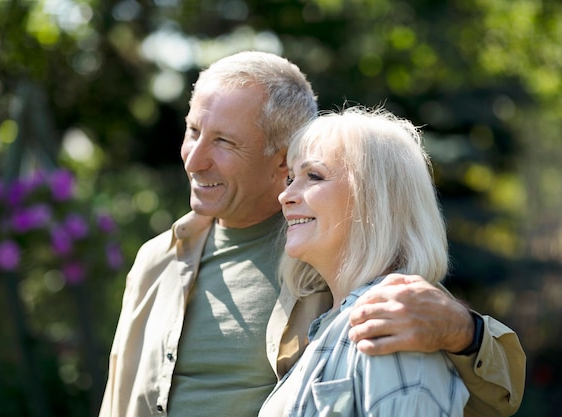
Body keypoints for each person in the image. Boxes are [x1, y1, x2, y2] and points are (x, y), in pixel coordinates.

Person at [99, 51, 525, 417]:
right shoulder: (157, 260)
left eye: (224, 142)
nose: (194, 160)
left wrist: (463, 331)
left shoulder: (333, 247)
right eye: (193, 131)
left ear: (282, 160)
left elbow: (485, 397)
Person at [260, 106, 470, 416]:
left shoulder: (394, 321)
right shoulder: (333, 321)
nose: (285, 195)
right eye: (291, 178)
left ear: (374, 199)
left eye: (313, 175)